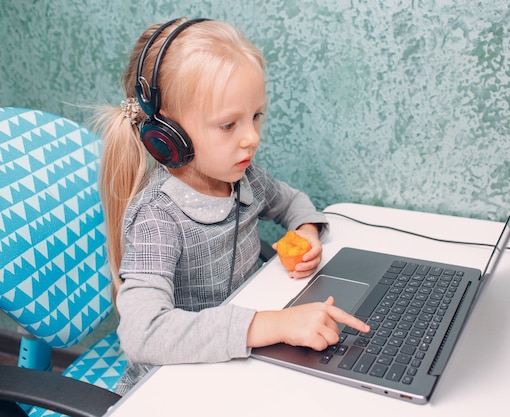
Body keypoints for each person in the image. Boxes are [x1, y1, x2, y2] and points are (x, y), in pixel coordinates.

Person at [94, 18, 369, 395]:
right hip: (175, 385)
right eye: (228, 125)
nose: (251, 138)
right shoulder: (157, 217)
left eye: (256, 116)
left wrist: (306, 233)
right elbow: (144, 334)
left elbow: (293, 203)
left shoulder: (243, 177)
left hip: (238, 361)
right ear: (167, 135)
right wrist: (270, 325)